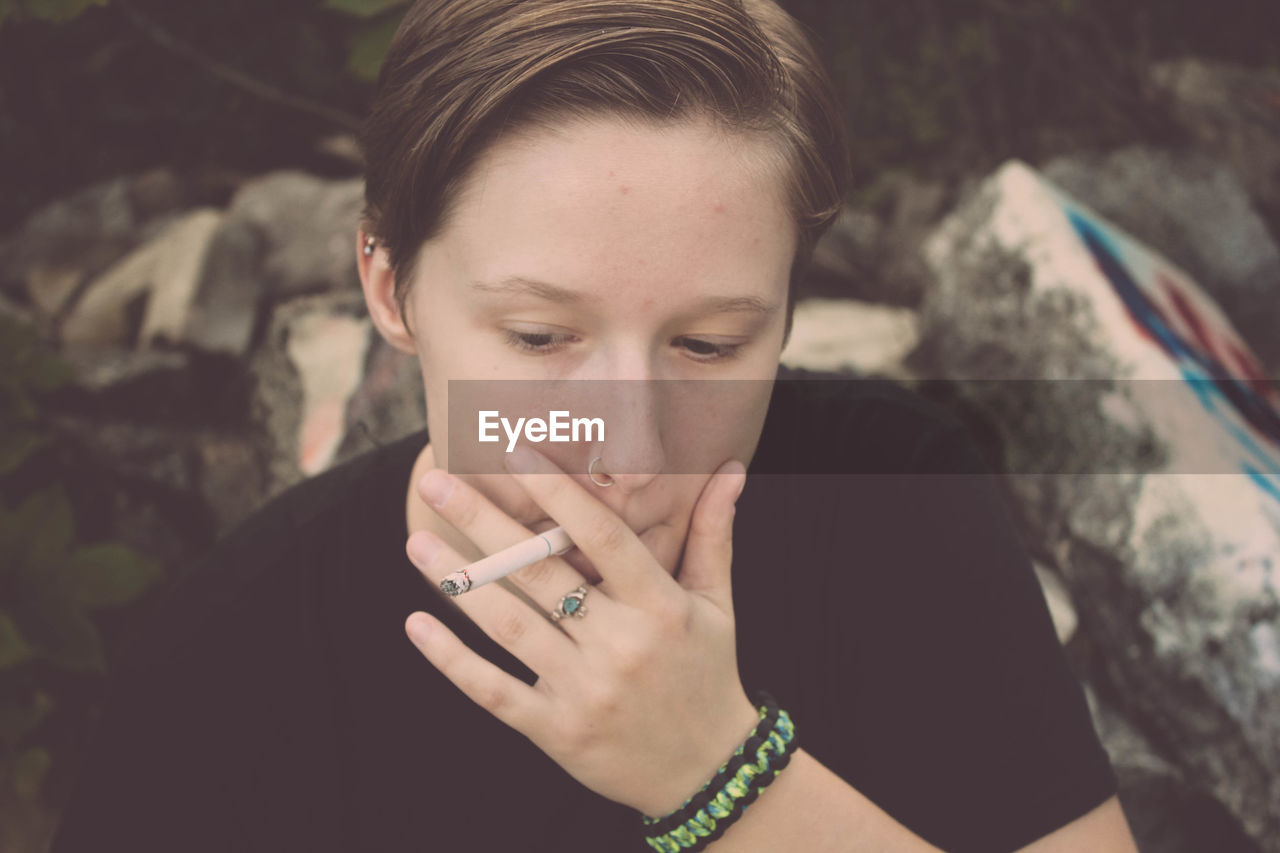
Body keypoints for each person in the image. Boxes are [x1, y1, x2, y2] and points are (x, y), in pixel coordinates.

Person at [50, 1, 1139, 851]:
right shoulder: (230, 665)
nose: (627, 448)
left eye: (709, 345)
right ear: (388, 288)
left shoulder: (887, 497)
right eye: (538, 337)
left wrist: (718, 775)